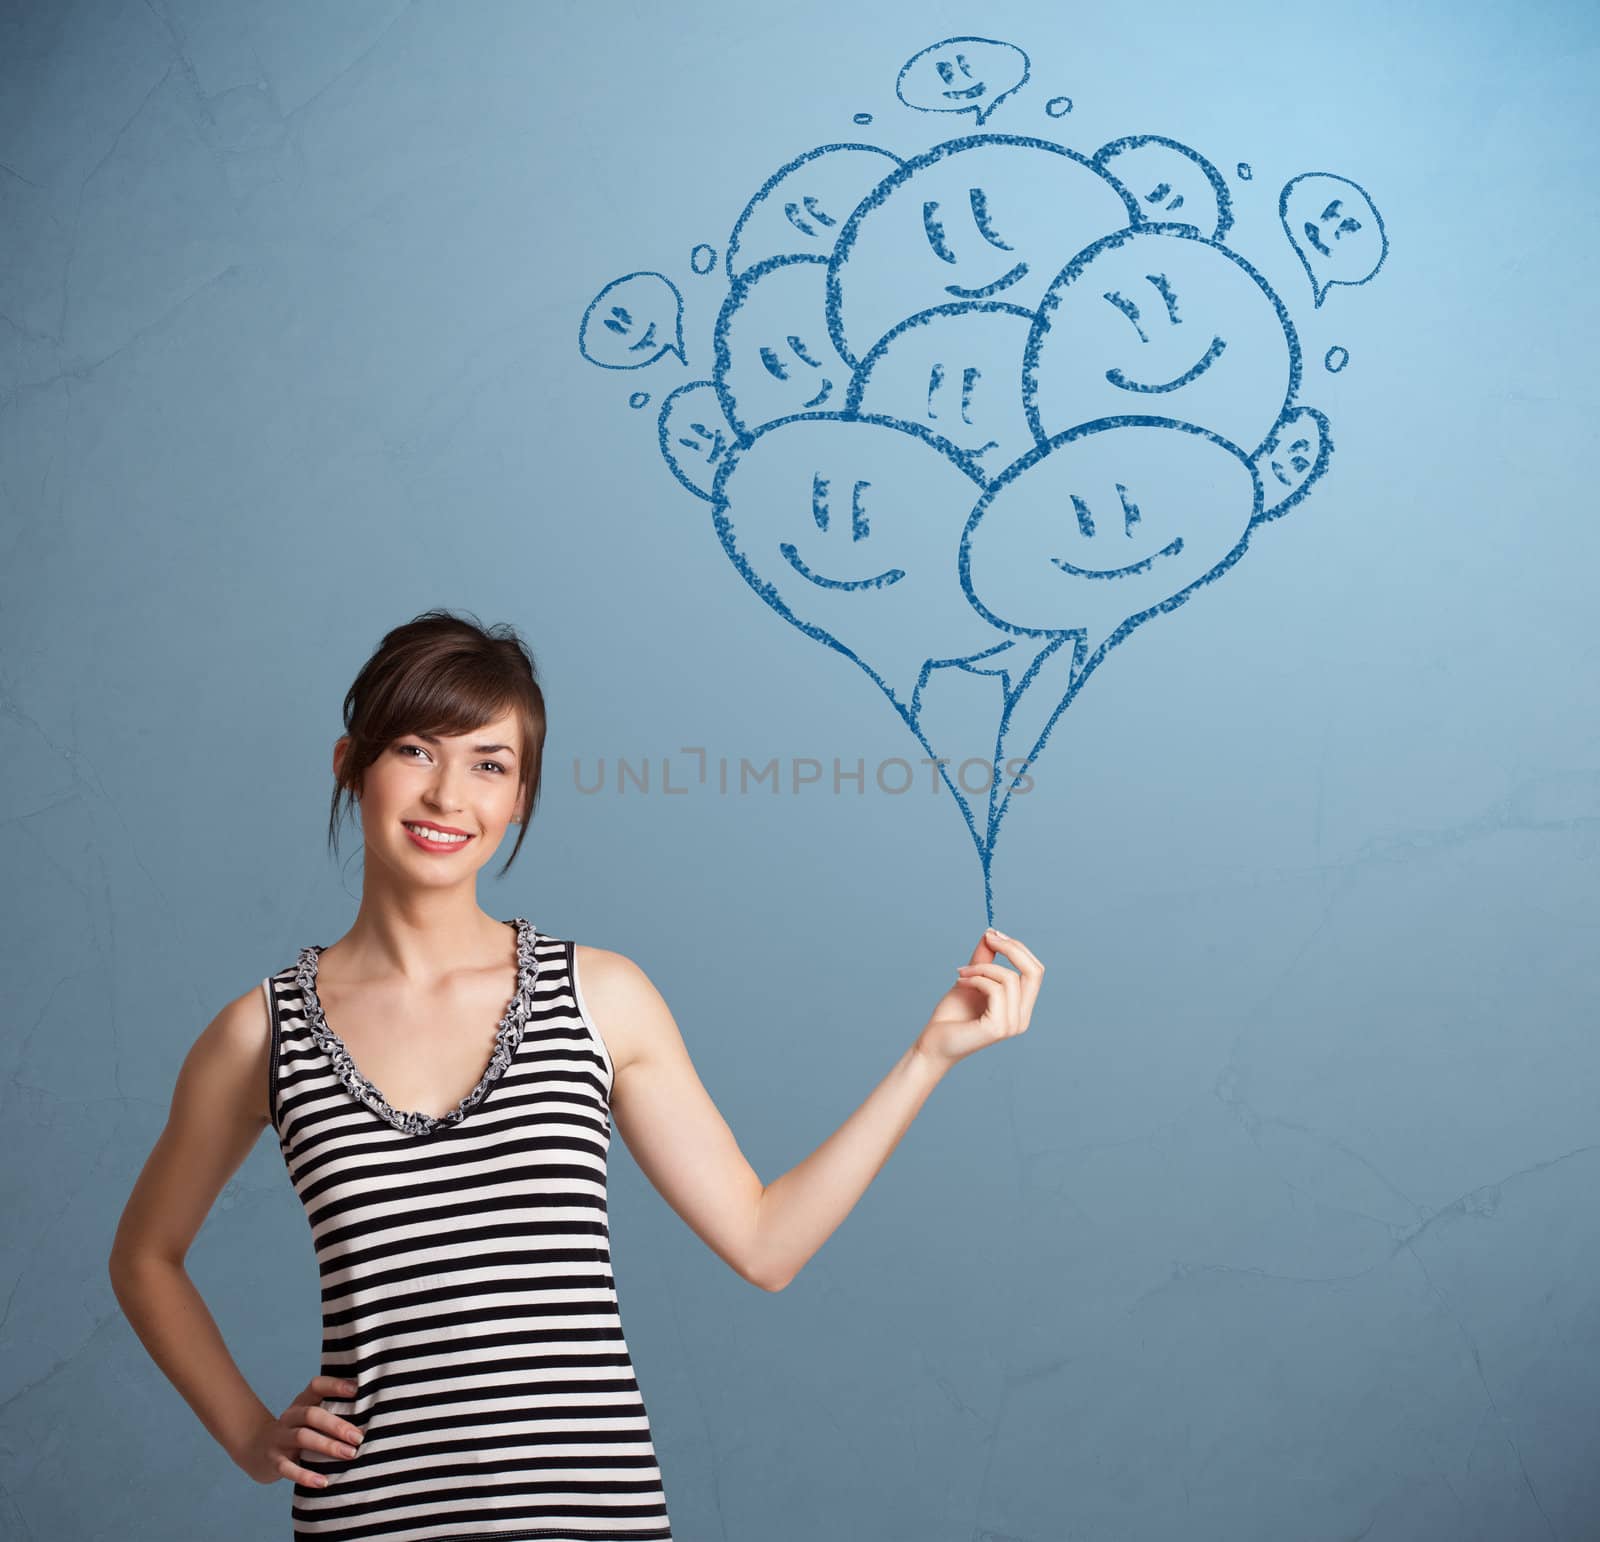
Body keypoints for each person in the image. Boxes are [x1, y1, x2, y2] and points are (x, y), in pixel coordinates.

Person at [107, 608, 1046, 1541]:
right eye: (415, 751)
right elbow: (145, 1259)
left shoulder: (600, 995)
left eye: (490, 764)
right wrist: (246, 1434)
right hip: (370, 1522)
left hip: (591, 1523)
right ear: (351, 762)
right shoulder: (262, 1031)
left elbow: (767, 1244)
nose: (449, 797)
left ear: (521, 796)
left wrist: (928, 1059)